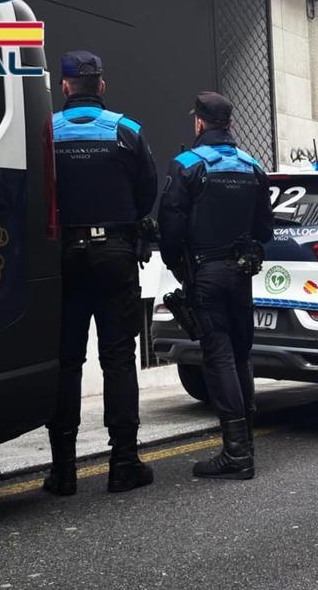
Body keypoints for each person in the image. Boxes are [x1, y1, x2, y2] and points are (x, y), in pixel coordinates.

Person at [45, 50, 158, 495]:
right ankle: (124, 464)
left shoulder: (45, 132)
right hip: (115, 253)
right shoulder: (127, 131)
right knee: (118, 358)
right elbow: (146, 191)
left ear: (66, 86)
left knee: (67, 361)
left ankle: (63, 471)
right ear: (102, 86)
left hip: (63, 257)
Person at [159, 92, 273, 480]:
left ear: (199, 123)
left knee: (219, 355)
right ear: (231, 124)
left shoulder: (187, 165)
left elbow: (170, 228)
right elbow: (265, 230)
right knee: (241, 354)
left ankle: (237, 455)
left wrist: (179, 267)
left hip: (205, 271)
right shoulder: (253, 166)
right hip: (241, 273)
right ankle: (247, 447)